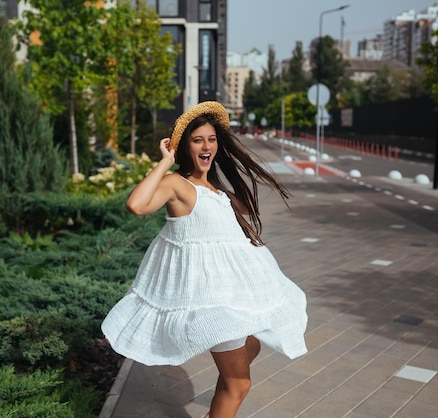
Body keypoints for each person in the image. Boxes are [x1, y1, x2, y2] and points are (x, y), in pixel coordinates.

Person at [101, 101, 307, 418]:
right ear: (185, 146)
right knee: (239, 384)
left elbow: (247, 210)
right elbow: (137, 205)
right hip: (211, 304)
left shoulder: (216, 190)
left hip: (233, 296)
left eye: (211, 139)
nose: (206, 146)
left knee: (251, 347)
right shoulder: (177, 184)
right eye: (198, 140)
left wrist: (226, 167)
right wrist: (165, 162)